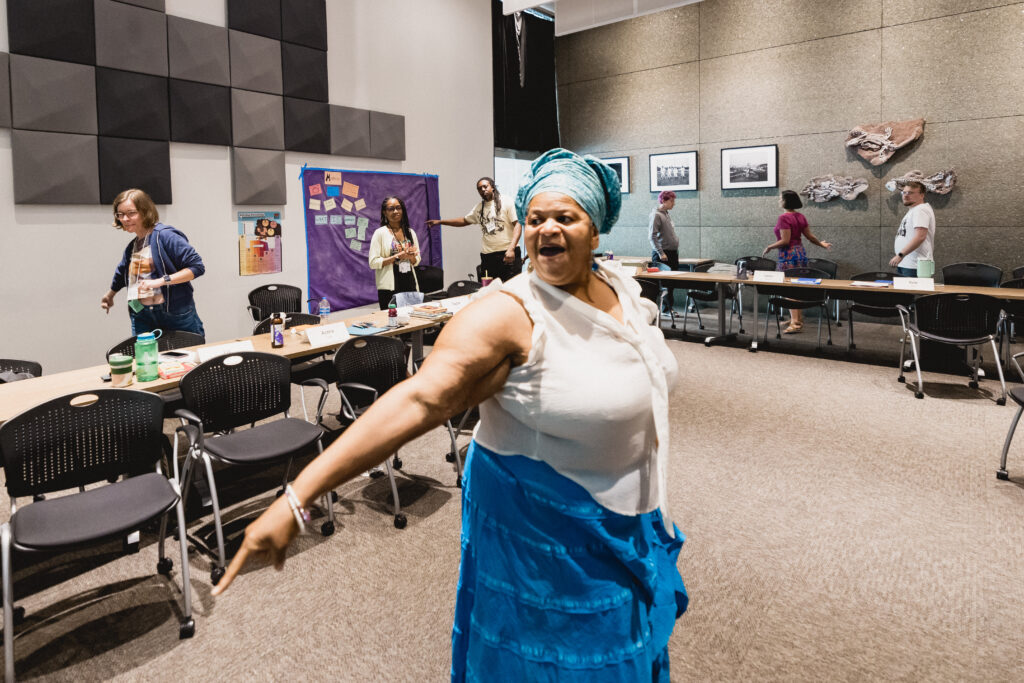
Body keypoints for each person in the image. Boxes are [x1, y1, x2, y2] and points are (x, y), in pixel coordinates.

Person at [212, 148, 688, 681]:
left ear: (595, 231)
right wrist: (297, 499)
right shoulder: (508, 314)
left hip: (630, 520)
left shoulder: (620, 286)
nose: (546, 229)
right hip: (547, 537)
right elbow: (419, 399)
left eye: (565, 217)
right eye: (535, 219)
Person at [100, 188, 206, 337]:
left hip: (173, 313)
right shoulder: (133, 246)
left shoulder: (166, 236)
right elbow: (122, 271)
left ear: (145, 211)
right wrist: (110, 294)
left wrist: (161, 281)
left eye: (131, 213)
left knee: (186, 356)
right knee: (146, 359)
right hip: (141, 314)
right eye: (120, 214)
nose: (125, 219)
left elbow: (197, 267)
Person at [426, 177, 522, 283]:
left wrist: (511, 249)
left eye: (485, 186)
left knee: (511, 290)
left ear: (493, 187)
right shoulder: (479, 208)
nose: (483, 190)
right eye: (479, 188)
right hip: (488, 256)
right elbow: (464, 220)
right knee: (489, 291)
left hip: (508, 253)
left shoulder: (506, 201)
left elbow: (517, 224)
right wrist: (440, 222)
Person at [762, 189, 832, 334]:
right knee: (796, 287)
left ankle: (796, 323)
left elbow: (785, 241)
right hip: (800, 253)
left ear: (785, 201)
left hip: (788, 255)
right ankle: (796, 318)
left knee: (789, 288)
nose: (778, 200)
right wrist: (822, 244)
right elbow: (810, 237)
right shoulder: (800, 216)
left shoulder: (784, 218)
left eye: (780, 198)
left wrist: (770, 246)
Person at [369, 195, 422, 309]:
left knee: (414, 320)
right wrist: (397, 257)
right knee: (393, 321)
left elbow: (416, 261)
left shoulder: (410, 232)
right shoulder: (380, 233)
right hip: (390, 287)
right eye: (391, 209)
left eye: (398, 207)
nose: (396, 211)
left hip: (410, 283)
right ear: (384, 212)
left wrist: (410, 256)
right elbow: (373, 262)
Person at [888, 181, 935, 277]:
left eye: (910, 193)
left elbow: (920, 236)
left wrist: (900, 255)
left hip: (915, 265)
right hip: (907, 263)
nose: (905, 196)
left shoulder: (920, 209)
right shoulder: (914, 210)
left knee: (913, 292)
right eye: (904, 192)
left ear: (922, 195)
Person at [649, 190, 679, 315]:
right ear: (664, 201)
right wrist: (661, 253)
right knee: (664, 283)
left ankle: (667, 308)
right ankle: (664, 309)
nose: (674, 203)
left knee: (671, 283)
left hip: (671, 253)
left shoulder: (666, 214)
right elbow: (652, 236)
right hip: (663, 254)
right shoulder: (656, 215)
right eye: (671, 201)